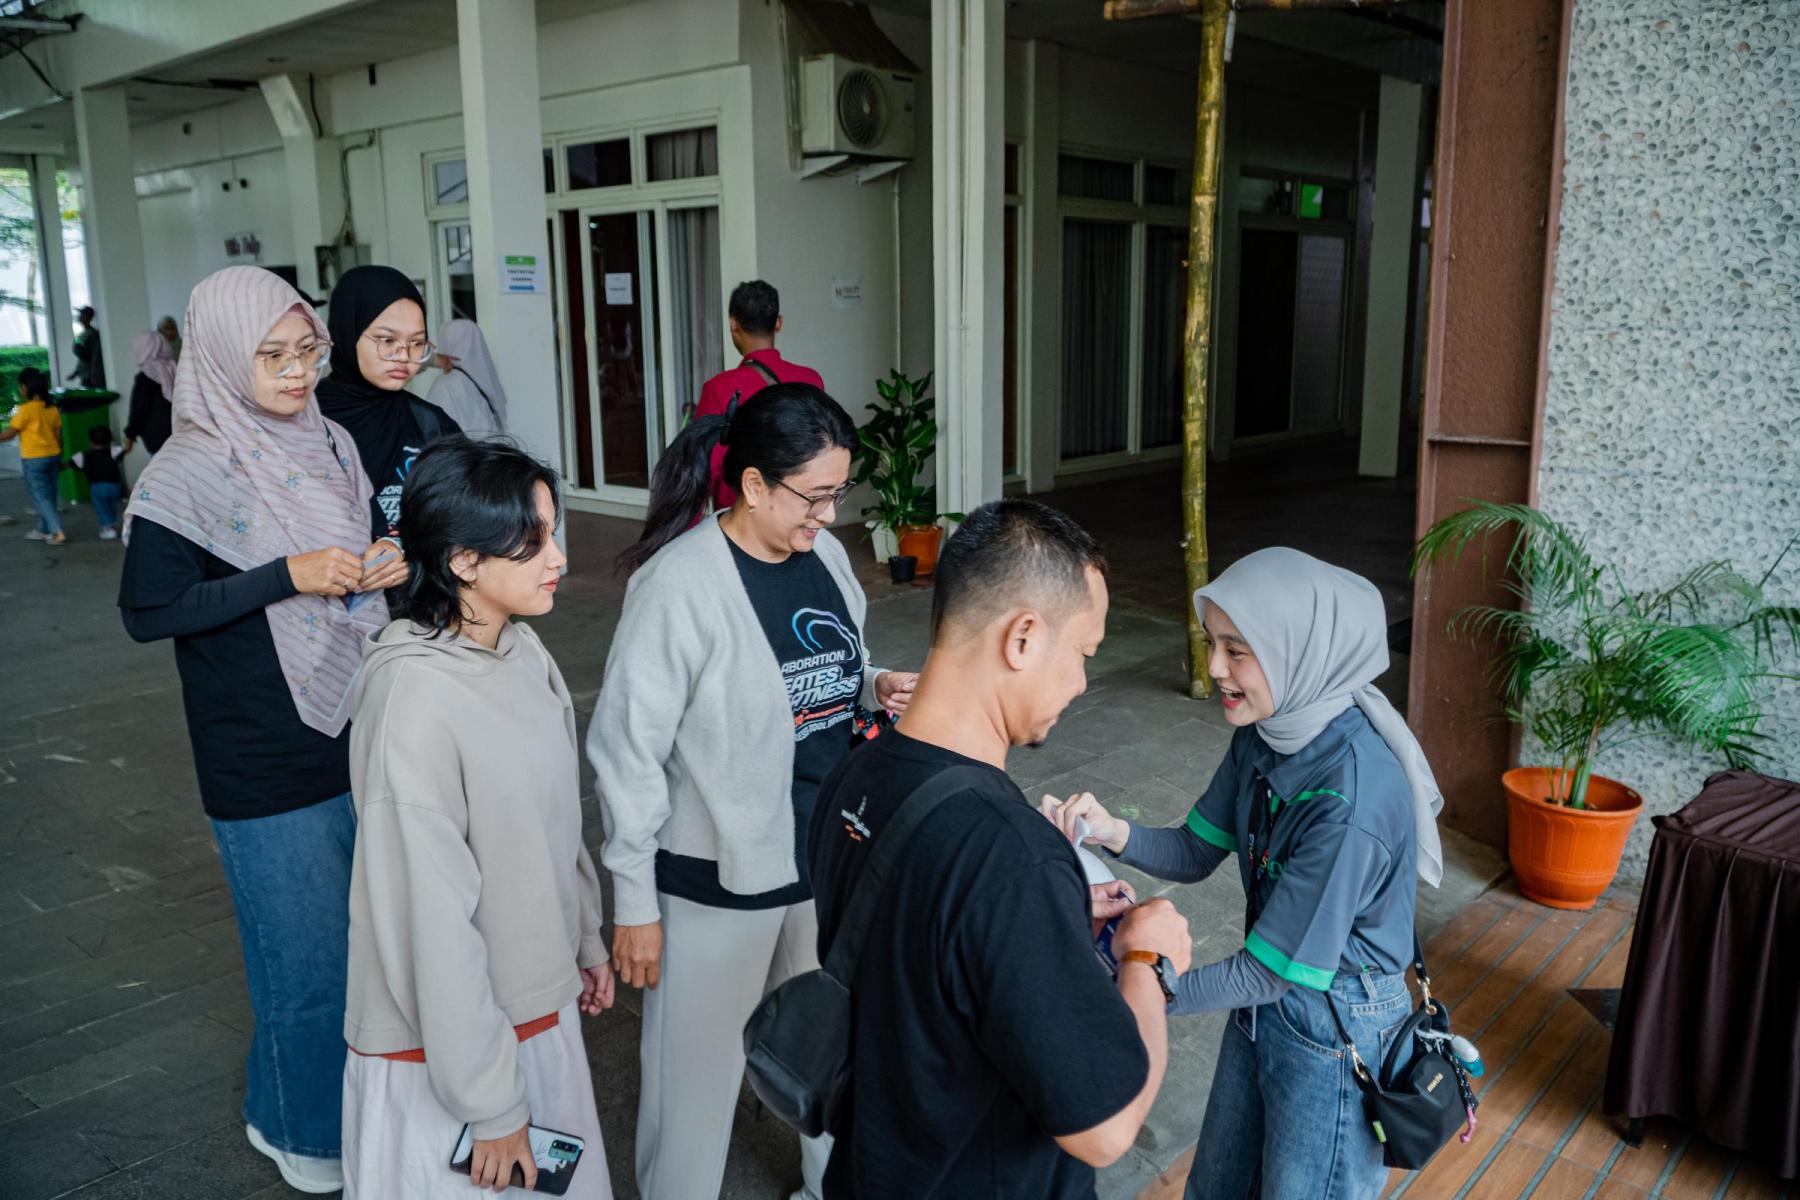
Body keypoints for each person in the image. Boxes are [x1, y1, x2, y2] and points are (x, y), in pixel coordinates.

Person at [118, 265, 408, 1195]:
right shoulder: (188, 470)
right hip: (259, 751)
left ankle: (319, 1104)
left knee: (362, 951)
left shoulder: (330, 440)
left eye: (306, 351)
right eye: (271, 356)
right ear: (217, 357)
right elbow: (149, 610)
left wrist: (378, 562)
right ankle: (297, 1130)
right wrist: (287, 575)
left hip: (351, 722)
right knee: (305, 969)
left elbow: (344, 556)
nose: (295, 372)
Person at [589, 383, 918, 1200]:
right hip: (716, 878)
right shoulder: (680, 586)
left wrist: (873, 683)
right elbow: (627, 753)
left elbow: (822, 667)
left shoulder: (825, 558)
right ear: (754, 485)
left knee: (822, 1052)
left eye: (839, 493)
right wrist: (635, 903)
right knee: (693, 1081)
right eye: (814, 497)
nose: (829, 516)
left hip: (823, 856)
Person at [810, 499, 1192, 1200]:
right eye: (1082, 654)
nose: (1082, 682)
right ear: (1022, 637)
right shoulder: (1012, 857)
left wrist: (1047, 920)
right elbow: (1105, 1129)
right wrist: (1148, 960)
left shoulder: (854, 772)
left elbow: (918, 947)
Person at [1046, 547, 1445, 1200]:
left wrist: (1140, 984)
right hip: (1268, 995)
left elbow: (1264, 973)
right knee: (1217, 1186)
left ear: (1298, 653)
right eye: (1212, 643)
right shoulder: (1267, 732)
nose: (1213, 668)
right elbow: (1194, 851)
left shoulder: (1351, 799)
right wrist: (1109, 830)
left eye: (1237, 650)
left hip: (1338, 1024)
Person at [341, 437, 614, 1199]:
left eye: (554, 534)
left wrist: (583, 938)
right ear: (463, 560)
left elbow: (556, 822)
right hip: (456, 1050)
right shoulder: (412, 699)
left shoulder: (522, 649)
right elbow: (429, 919)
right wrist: (491, 1104)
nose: (558, 558)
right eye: (534, 542)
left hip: (533, 1002)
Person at [315, 265, 461, 544]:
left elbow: (465, 516)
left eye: (416, 343)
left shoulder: (432, 424)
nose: (404, 355)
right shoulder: (303, 421)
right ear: (347, 332)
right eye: (387, 340)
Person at [692, 280, 823, 512]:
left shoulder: (718, 388)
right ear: (778, 322)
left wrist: (688, 527)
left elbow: (702, 468)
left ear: (733, 324)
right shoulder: (811, 379)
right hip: (799, 512)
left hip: (743, 515)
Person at [2, 367, 64, 545]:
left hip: (34, 459)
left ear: (25, 388)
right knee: (49, 495)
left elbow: (10, 434)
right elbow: (58, 436)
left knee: (40, 497)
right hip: (53, 455)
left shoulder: (25, 410)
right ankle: (43, 530)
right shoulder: (52, 409)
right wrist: (58, 456)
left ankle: (57, 531)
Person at [426, 318, 506, 437]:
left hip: (465, 448)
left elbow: (432, 430)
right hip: (492, 447)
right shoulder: (486, 379)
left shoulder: (444, 384)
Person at [64, 424, 126, 539]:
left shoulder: (83, 456)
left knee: (101, 507)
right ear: (110, 439)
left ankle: (107, 528)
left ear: (90, 440)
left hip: (97, 487)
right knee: (111, 505)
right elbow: (124, 450)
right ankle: (111, 524)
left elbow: (68, 464)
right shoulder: (114, 451)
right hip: (115, 486)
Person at [124, 329, 177, 455]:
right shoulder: (173, 369)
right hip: (180, 434)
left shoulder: (146, 376)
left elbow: (139, 409)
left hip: (158, 439)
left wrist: (130, 435)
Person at [72, 305, 105, 388]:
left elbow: (94, 356)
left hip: (90, 377)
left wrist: (94, 376)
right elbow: (77, 343)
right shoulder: (81, 334)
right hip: (84, 375)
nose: (79, 316)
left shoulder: (93, 334)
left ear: (87, 317)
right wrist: (75, 373)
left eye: (82, 314)